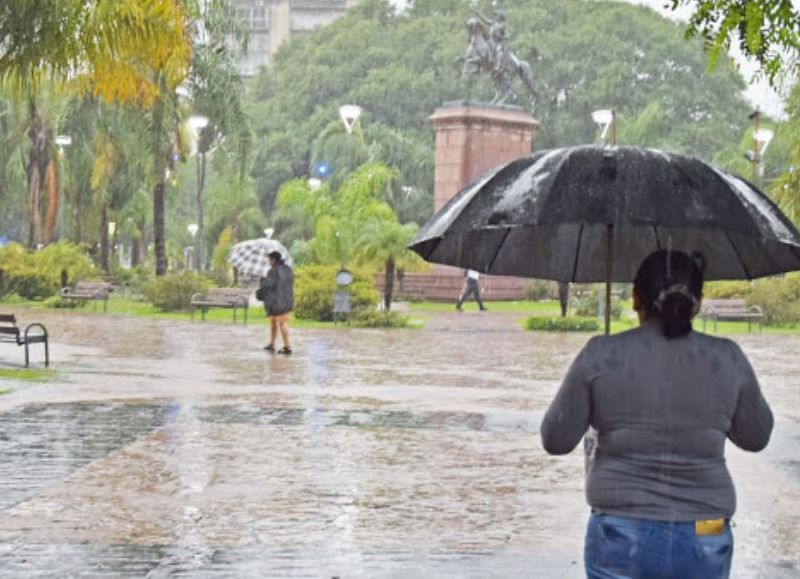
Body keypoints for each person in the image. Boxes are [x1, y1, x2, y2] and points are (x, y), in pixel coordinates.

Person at [541, 250, 773, 578]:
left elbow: (555, 439)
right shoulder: (727, 358)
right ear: (698, 302)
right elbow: (757, 436)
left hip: (620, 531)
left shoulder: (601, 354)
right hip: (705, 531)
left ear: (636, 298)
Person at [260, 251, 294, 355]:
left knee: (281, 323)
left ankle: (287, 346)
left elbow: (269, 286)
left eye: (269, 260)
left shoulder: (272, 271)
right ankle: (271, 343)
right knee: (273, 321)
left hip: (277, 301)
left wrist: (262, 280)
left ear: (273, 260)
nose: (268, 262)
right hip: (287, 299)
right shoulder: (288, 270)